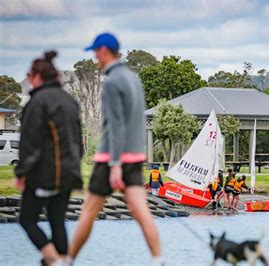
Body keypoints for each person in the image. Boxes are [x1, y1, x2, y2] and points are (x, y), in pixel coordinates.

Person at [68, 33, 163, 265]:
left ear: (103, 50)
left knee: (88, 211)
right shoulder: (133, 78)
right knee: (141, 211)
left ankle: (66, 260)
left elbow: (116, 125)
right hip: (134, 156)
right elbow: (137, 121)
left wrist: (114, 166)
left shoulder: (111, 82)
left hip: (111, 158)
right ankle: (158, 259)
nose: (95, 57)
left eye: (95, 52)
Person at [15, 51, 83, 266]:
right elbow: (78, 143)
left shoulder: (37, 102)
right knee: (57, 221)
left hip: (43, 174)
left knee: (27, 220)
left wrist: (22, 172)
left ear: (37, 76)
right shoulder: (69, 101)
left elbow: (30, 143)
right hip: (69, 174)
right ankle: (60, 261)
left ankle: (55, 261)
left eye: (29, 74)